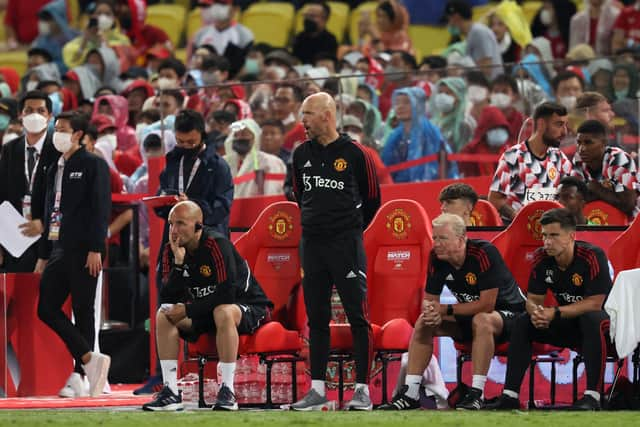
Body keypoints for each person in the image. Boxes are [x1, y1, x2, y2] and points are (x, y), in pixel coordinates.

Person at [289, 92, 380, 411]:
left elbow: (372, 201)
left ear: (328, 115)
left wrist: (348, 229)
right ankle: (316, 390)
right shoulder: (300, 154)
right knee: (316, 318)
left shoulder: (357, 154)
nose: (303, 121)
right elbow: (298, 195)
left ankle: (362, 390)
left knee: (358, 316)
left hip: (346, 245)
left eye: (308, 115)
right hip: (311, 245)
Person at [381, 213, 526, 410]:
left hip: (511, 316)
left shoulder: (484, 253)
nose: (437, 243)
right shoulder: (437, 258)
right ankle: (411, 393)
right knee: (424, 322)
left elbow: (486, 305)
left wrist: (443, 309)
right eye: (435, 238)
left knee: (483, 319)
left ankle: (476, 394)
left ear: (461, 240)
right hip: (471, 318)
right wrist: (431, 312)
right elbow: (430, 301)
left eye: (443, 238)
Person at [141, 201, 273, 411]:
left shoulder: (216, 245)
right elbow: (167, 296)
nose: (174, 230)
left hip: (246, 306)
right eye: (171, 224)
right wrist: (178, 263)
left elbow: (227, 294)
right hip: (206, 311)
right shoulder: (171, 250)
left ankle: (227, 391)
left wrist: (188, 310)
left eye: (181, 224)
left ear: (198, 226)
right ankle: (170, 392)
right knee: (163, 314)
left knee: (223, 311)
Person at [487, 208, 612, 411]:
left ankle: (593, 397)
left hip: (605, 328)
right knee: (523, 321)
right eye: (544, 235)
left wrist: (554, 313)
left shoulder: (592, 256)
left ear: (571, 236)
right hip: (570, 322)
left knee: (592, 318)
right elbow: (533, 300)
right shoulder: (541, 259)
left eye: (554, 235)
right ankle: (510, 396)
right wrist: (537, 314)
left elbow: (596, 303)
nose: (547, 241)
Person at [35, 111, 112, 398]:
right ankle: (89, 360)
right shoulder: (53, 165)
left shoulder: (93, 164)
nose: (58, 134)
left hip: (83, 248)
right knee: (46, 308)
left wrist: (96, 248)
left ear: (78, 134)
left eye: (64, 129)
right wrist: (44, 252)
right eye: (57, 129)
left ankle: (81, 375)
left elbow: (100, 208)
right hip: (57, 245)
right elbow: (48, 210)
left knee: (83, 311)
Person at [0, 91, 58, 273]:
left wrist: (44, 223)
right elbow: (2, 193)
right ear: (20, 115)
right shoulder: (10, 149)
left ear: (49, 116)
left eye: (41, 111)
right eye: (29, 110)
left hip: (49, 240)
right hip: (15, 240)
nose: (35, 115)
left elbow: (65, 198)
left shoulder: (58, 149)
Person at [488, 102, 573, 222]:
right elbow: (495, 199)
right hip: (518, 232)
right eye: (559, 124)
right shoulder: (513, 157)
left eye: (565, 125)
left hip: (550, 231)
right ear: (541, 124)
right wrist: (519, 218)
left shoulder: (559, 158)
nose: (564, 132)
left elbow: (571, 193)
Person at [156, 109, 234, 238]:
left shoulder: (218, 166)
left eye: (191, 142)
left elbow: (222, 207)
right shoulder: (173, 162)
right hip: (175, 235)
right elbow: (162, 192)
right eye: (180, 141)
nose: (186, 146)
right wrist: (164, 199)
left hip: (207, 237)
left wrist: (191, 206)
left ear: (202, 136)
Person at [382, 87, 458, 182]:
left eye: (406, 102)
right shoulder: (395, 135)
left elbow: (436, 168)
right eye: (397, 103)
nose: (400, 106)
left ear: (417, 105)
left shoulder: (430, 132)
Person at [571, 120, 639, 218]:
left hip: (631, 223)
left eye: (588, 143)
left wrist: (595, 188)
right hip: (596, 220)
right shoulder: (578, 160)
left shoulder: (619, 159)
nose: (581, 149)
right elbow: (575, 198)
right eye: (579, 142)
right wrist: (602, 192)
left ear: (604, 142)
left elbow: (628, 205)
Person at [223, 118, 287, 198]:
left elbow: (271, 193)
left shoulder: (270, 161)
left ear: (255, 137)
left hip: (258, 207)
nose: (239, 138)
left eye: (244, 134)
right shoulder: (224, 162)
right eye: (236, 135)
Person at [190, 0, 254, 77]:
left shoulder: (244, 35)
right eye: (215, 3)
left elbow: (245, 67)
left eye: (223, 4)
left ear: (235, 9)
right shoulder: (200, 34)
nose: (217, 7)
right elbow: (193, 64)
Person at [444, 0, 503, 79]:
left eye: (449, 20)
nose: (449, 24)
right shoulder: (472, 34)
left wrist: (459, 70)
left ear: (456, 18)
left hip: (489, 85)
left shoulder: (478, 32)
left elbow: (486, 69)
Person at [292, 1, 338, 65]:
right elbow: (295, 61)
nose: (307, 19)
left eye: (312, 16)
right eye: (306, 15)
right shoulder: (299, 37)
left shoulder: (330, 40)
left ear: (324, 19)